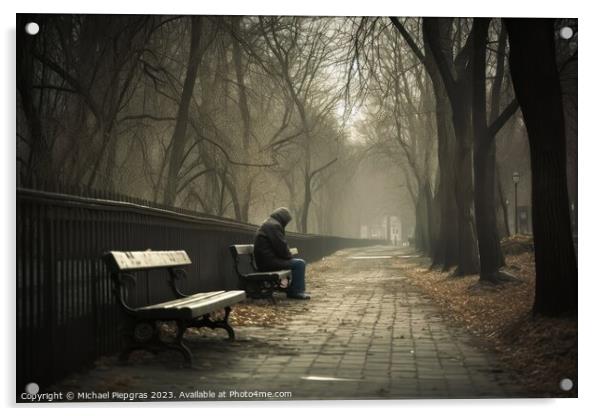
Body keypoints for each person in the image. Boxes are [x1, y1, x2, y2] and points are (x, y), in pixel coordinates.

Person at [253, 207, 310, 300]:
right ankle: (296, 291)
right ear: (283, 219)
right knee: (300, 264)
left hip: (266, 260)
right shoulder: (274, 226)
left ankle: (294, 289)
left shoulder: (270, 223)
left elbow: (279, 247)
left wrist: (287, 255)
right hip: (269, 262)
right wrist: (289, 256)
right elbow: (281, 247)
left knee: (297, 263)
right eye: (287, 221)